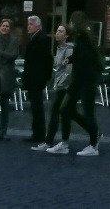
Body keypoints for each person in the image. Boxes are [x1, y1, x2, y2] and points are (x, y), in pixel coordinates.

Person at [47, 19, 100, 156]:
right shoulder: (79, 42)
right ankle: (65, 143)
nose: (69, 24)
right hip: (76, 83)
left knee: (86, 112)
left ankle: (94, 143)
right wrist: (70, 60)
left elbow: (87, 61)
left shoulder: (82, 42)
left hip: (82, 83)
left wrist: (71, 61)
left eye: (71, 22)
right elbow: (78, 58)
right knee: (65, 110)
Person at [33, 24, 74, 153]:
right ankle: (53, 141)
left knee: (58, 113)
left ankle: (52, 142)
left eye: (61, 31)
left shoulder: (69, 49)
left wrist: (59, 84)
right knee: (59, 113)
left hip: (64, 87)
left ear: (66, 35)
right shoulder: (59, 48)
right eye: (57, 31)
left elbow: (68, 71)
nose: (57, 33)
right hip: (59, 85)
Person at [22, 14, 53, 145]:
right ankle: (37, 132)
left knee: (37, 107)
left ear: (38, 26)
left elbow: (45, 60)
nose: (28, 27)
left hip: (36, 78)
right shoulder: (35, 38)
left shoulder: (41, 39)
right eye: (28, 24)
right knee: (35, 107)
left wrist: (45, 77)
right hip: (34, 77)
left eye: (31, 24)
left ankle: (39, 134)